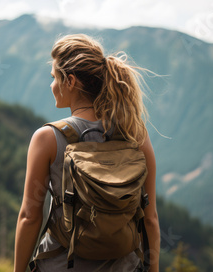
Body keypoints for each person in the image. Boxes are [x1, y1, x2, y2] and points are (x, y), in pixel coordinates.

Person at [14, 34, 160, 272]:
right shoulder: (136, 134)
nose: (51, 86)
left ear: (70, 81)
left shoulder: (48, 139)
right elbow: (150, 217)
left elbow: (30, 217)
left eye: (54, 78)